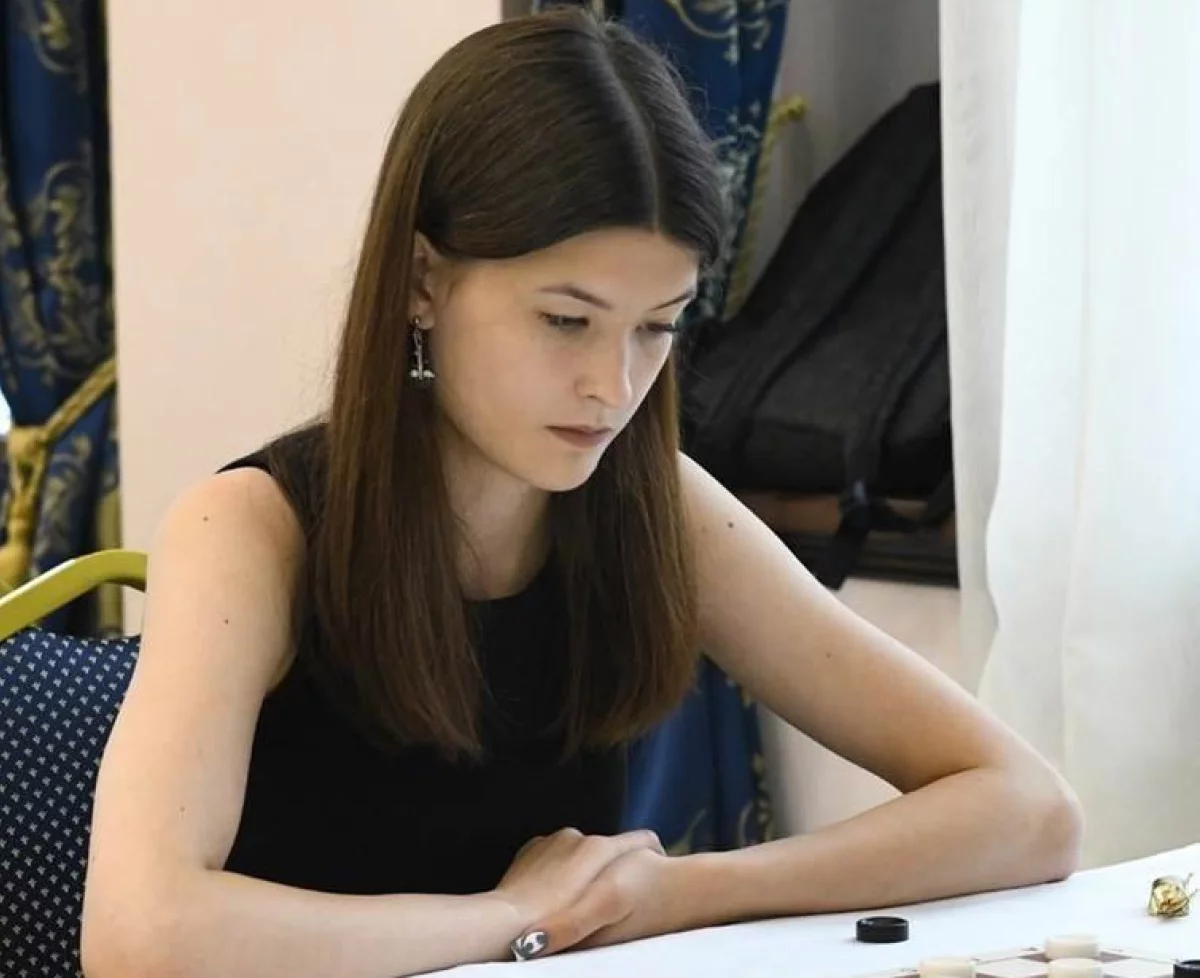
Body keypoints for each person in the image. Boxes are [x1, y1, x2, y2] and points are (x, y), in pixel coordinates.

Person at [79, 8, 1082, 978]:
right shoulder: (251, 528)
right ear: (423, 282)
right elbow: (139, 936)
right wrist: (512, 920)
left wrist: (672, 891)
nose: (614, 386)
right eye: (566, 321)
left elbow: (1028, 808)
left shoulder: (655, 502)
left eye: (658, 326)